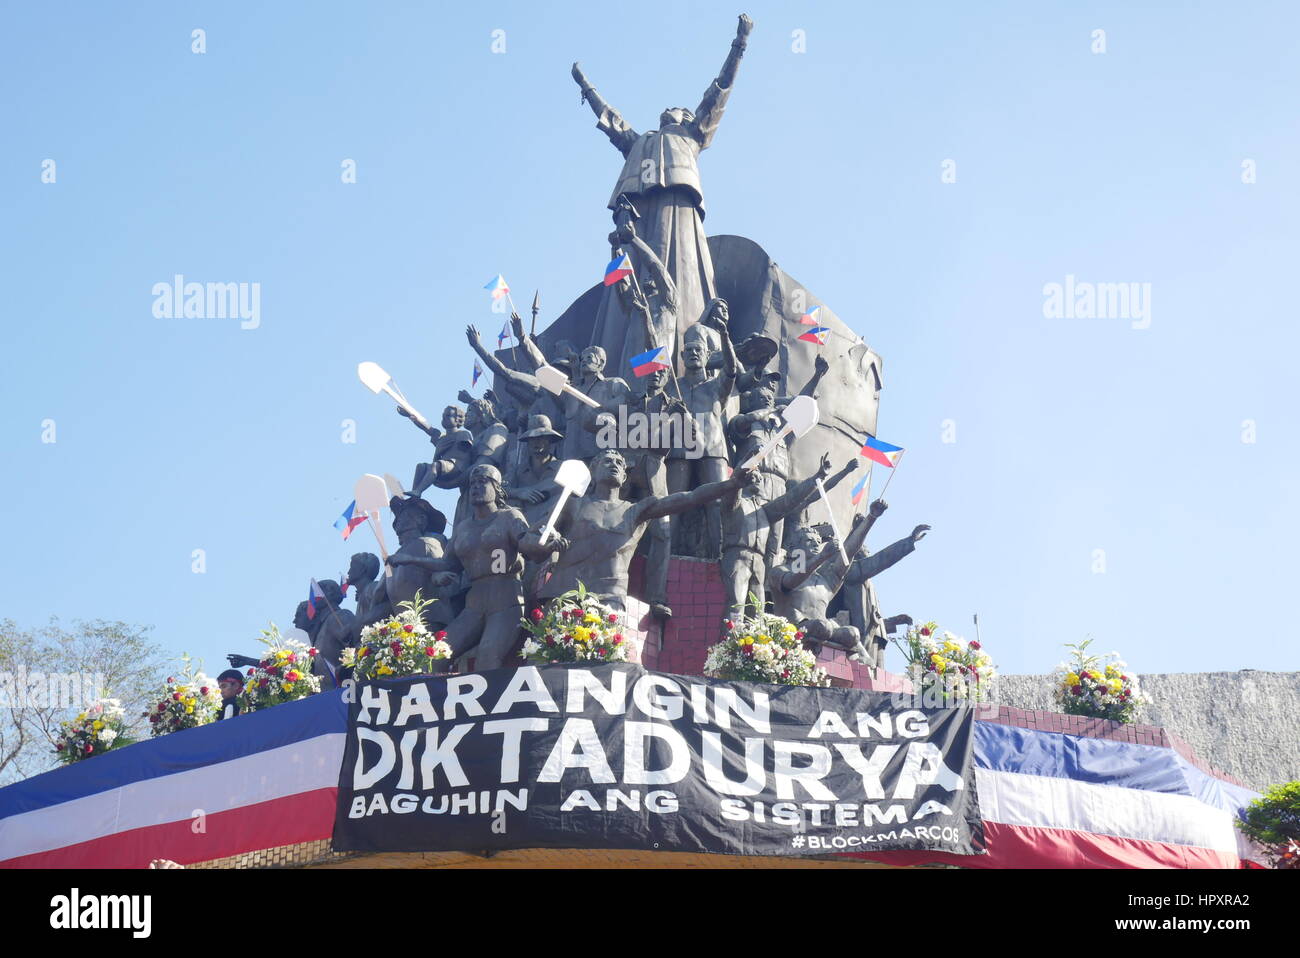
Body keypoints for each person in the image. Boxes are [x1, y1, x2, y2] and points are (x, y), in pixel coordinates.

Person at [573, 14, 753, 370]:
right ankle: (627, 359)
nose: (669, 108)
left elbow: (719, 92)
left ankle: (682, 359)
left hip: (676, 207)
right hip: (637, 213)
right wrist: (586, 87)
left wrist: (740, 43)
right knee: (631, 268)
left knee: (679, 266)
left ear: (687, 118)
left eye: (679, 108)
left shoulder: (691, 135)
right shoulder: (641, 142)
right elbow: (612, 122)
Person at [524, 448, 749, 613]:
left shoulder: (635, 511)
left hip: (609, 598)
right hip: (563, 594)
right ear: (593, 471)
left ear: (624, 478)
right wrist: (548, 543)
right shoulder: (571, 504)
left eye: (619, 464)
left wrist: (730, 484)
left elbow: (689, 498)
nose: (614, 464)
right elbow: (529, 543)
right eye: (607, 460)